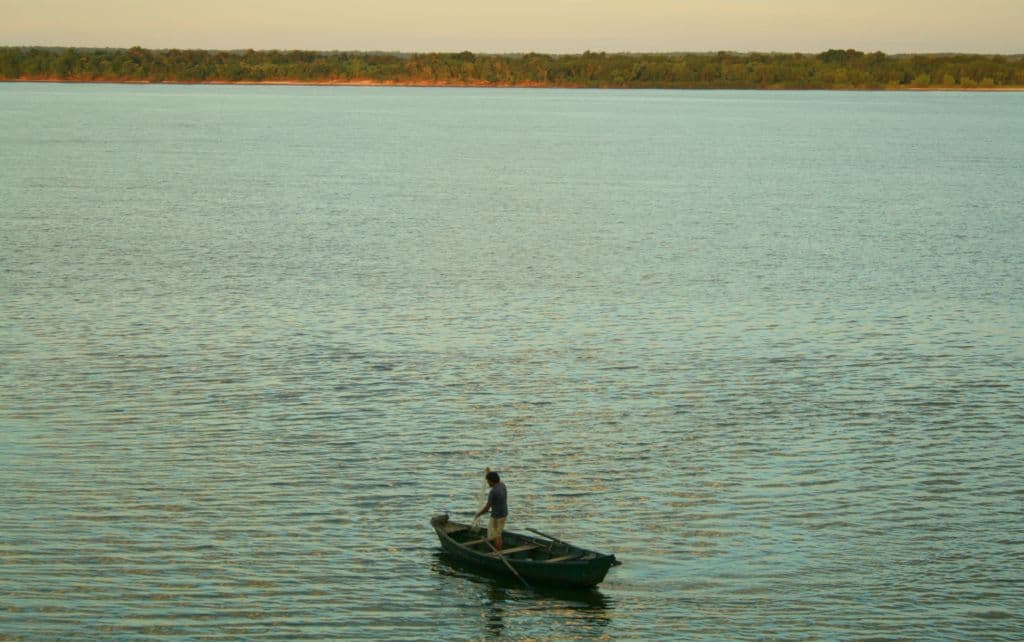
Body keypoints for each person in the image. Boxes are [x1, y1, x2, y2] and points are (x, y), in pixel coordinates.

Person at [474, 470, 508, 550]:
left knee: (496, 536)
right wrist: (489, 472)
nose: (488, 483)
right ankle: (497, 550)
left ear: (492, 481)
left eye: (488, 481)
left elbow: (487, 508)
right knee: (498, 533)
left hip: (497, 517)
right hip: (504, 514)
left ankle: (498, 553)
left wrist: (478, 514)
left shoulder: (493, 492)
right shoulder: (502, 485)